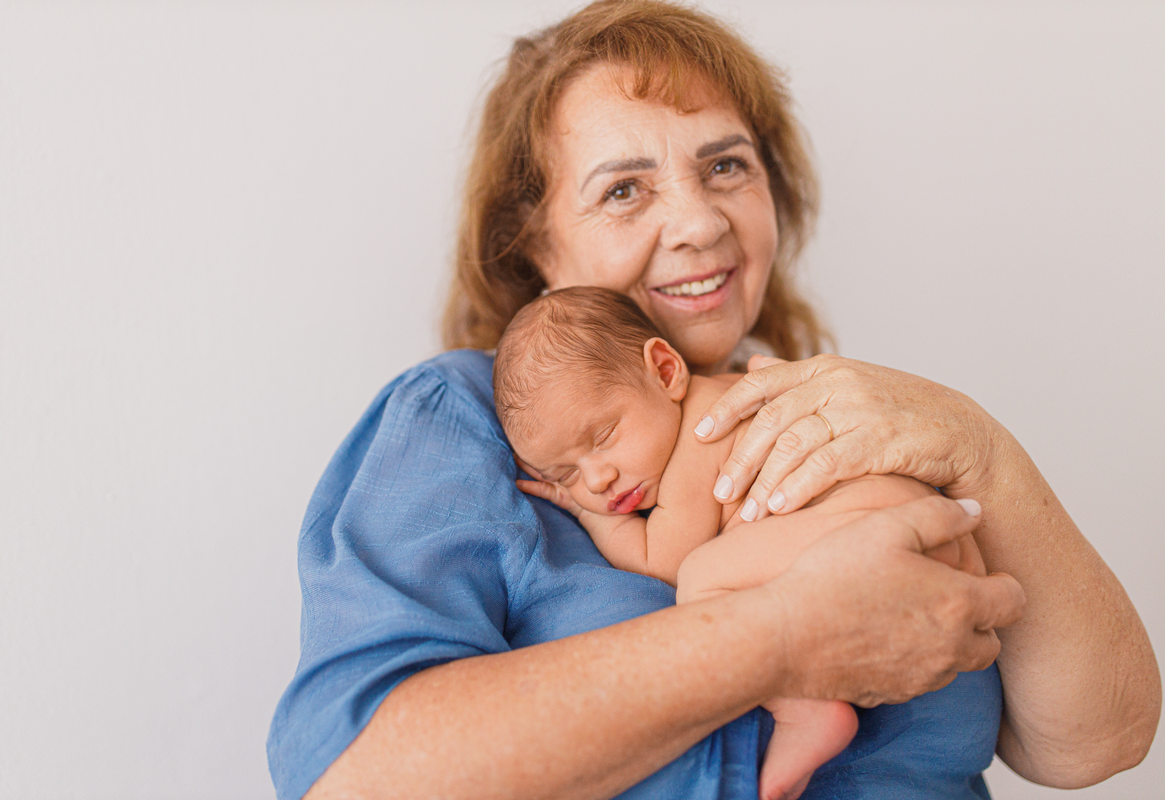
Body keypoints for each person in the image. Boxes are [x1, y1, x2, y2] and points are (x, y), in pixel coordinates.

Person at [267, 2, 1160, 799]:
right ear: (533, 245)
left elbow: (1096, 746)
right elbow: (354, 779)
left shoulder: (858, 413)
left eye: (726, 166)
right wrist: (780, 639)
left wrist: (983, 453)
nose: (698, 224)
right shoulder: (458, 421)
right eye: (624, 189)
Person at [492, 286, 991, 800]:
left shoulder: (700, 435)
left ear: (665, 371)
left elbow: (660, 561)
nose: (596, 479)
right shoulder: (729, 393)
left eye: (602, 437)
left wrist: (583, 514)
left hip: (867, 526)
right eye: (565, 472)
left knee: (700, 578)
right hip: (925, 524)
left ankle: (805, 711)